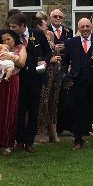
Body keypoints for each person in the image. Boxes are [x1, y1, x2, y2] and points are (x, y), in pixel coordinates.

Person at [61, 17, 93, 152]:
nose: (85, 29)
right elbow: (64, 61)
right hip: (78, 82)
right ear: (78, 28)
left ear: (90, 27)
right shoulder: (71, 42)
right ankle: (78, 141)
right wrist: (65, 76)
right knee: (77, 112)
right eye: (82, 27)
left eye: (87, 26)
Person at [7, 11, 51, 152]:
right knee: (20, 109)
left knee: (33, 109)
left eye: (14, 27)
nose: (12, 29)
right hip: (19, 77)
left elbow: (48, 51)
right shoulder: (12, 38)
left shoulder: (36, 34)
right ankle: (20, 140)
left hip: (36, 76)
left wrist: (45, 60)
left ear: (22, 25)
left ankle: (30, 141)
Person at [0, 32, 25, 154]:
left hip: (12, 79)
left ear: (14, 38)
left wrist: (11, 57)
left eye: (8, 39)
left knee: (10, 109)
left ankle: (8, 142)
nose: (6, 42)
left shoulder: (20, 48)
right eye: (3, 40)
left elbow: (21, 63)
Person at [40, 8, 71, 143]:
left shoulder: (51, 36)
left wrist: (56, 56)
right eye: (44, 25)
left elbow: (55, 54)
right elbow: (39, 58)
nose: (46, 27)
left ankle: (53, 131)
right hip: (44, 71)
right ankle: (42, 131)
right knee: (43, 101)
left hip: (57, 71)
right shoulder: (36, 39)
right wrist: (49, 61)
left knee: (54, 100)